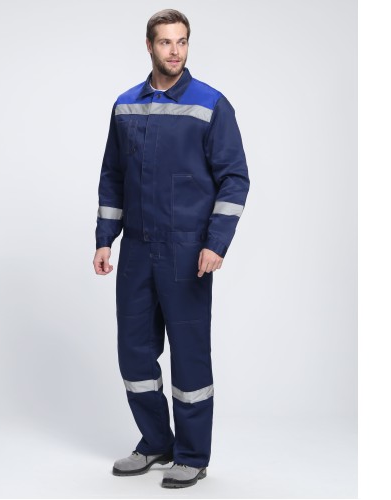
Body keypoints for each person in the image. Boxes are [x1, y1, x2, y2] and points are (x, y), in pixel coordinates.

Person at [93, 8, 250, 489]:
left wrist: (216, 243)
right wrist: (104, 239)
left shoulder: (211, 104)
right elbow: (112, 176)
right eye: (165, 42)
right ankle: (156, 442)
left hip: (187, 252)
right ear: (149, 46)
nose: (175, 51)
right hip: (137, 250)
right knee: (134, 352)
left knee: (189, 355)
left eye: (182, 41)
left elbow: (235, 178)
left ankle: (192, 455)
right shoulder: (125, 105)